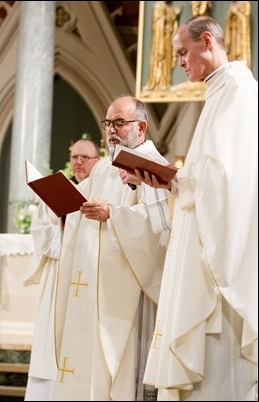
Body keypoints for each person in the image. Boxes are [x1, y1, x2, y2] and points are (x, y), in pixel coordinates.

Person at [133, 16, 258, 400]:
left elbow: (232, 181)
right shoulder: (218, 92)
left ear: (207, 41)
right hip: (203, 250)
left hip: (220, 269)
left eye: (183, 53)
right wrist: (176, 180)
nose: (178, 63)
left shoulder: (239, 92)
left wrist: (177, 179)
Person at [52, 95, 171, 401]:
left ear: (141, 126)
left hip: (129, 291)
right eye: (108, 123)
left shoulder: (151, 164)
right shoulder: (104, 168)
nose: (111, 130)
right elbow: (82, 210)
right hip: (93, 288)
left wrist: (113, 215)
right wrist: (68, 210)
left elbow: (159, 229)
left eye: (120, 122)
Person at [24, 138, 100, 401]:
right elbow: (40, 234)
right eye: (74, 157)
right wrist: (63, 223)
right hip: (58, 277)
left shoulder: (102, 195)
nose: (78, 162)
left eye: (85, 158)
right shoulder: (56, 192)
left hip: (90, 278)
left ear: (97, 161)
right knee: (50, 339)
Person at [144, 1, 181, 91]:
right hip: (160, 39)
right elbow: (157, 23)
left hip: (168, 38)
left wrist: (174, 14)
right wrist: (166, 17)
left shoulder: (169, 8)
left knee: (167, 61)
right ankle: (158, 82)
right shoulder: (157, 7)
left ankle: (165, 82)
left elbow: (172, 19)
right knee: (160, 60)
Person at [224, 1, 251, 68]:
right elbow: (227, 20)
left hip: (240, 35)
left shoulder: (245, 4)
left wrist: (236, 13)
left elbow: (245, 20)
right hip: (232, 33)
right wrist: (230, 15)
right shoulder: (231, 5)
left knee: (239, 52)